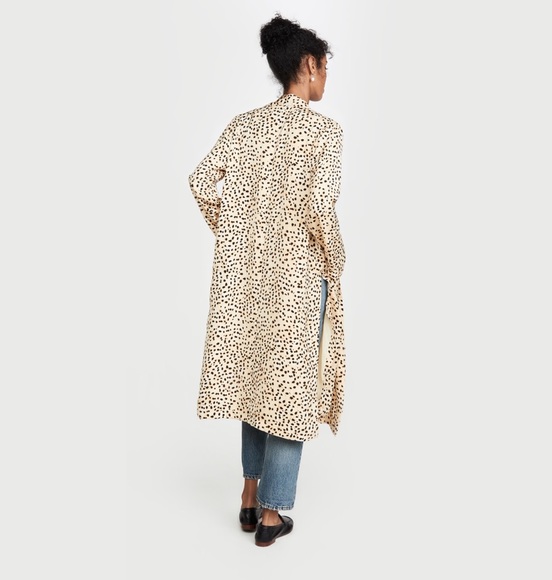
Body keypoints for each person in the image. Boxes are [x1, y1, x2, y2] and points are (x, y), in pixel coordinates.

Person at [188, 13, 347, 547]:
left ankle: (249, 495)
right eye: (325, 67)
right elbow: (321, 210)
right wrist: (336, 258)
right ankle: (274, 514)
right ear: (309, 65)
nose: (327, 78)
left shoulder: (244, 126)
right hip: (299, 277)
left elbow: (201, 181)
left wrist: (236, 233)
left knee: (259, 376)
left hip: (250, 277)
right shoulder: (324, 132)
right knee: (289, 387)